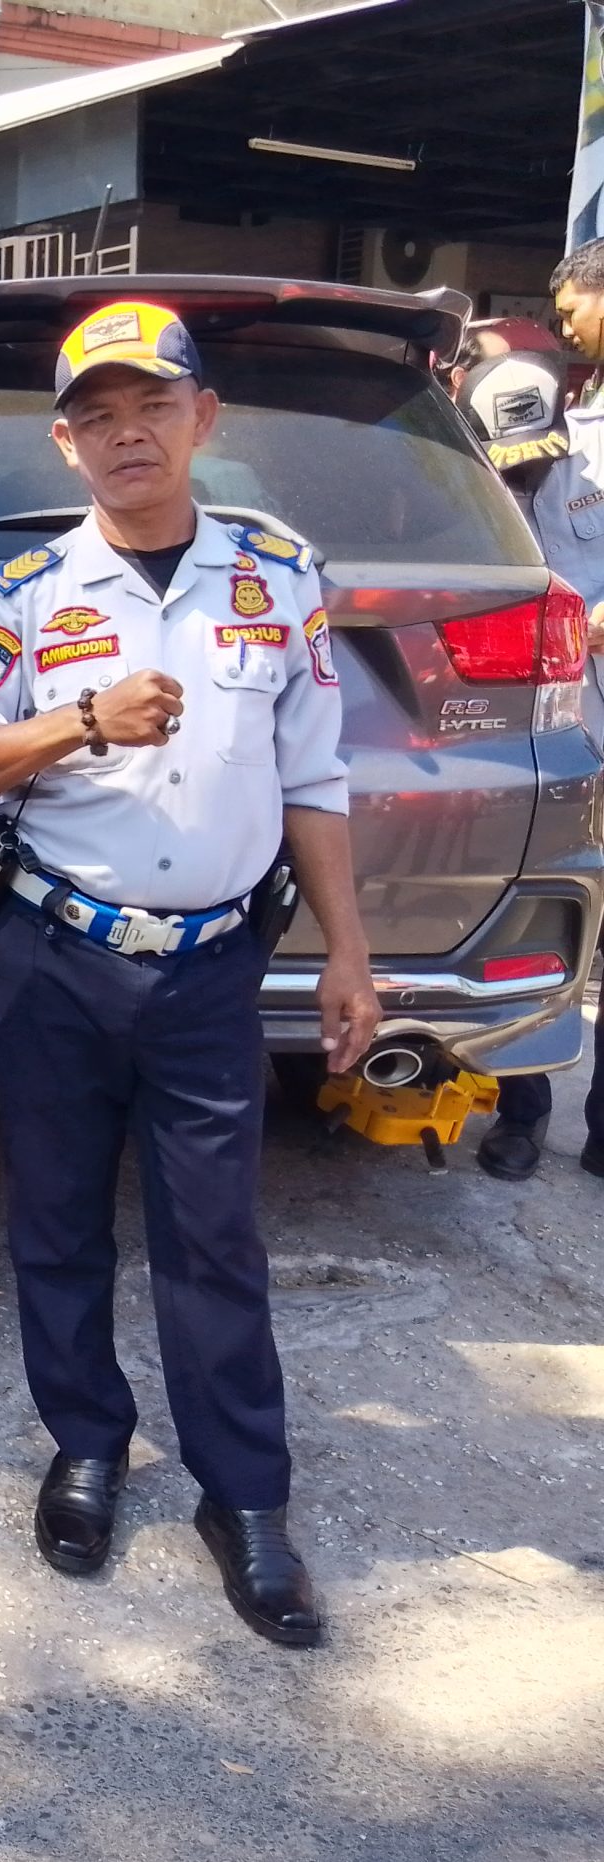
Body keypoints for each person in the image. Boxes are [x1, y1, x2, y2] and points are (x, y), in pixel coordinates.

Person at [0, 299, 380, 1647]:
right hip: (50, 957)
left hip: (208, 969)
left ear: (202, 420)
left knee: (214, 1237)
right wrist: (78, 720)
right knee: (56, 1220)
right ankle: (87, 1446)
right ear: (65, 444)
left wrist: (350, 953)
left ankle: (244, 1495)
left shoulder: (276, 582)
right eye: (98, 417)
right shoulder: (22, 594)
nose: (128, 435)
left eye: (152, 407)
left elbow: (314, 777)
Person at [477, 241, 604, 1179]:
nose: (566, 329)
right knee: (530, 920)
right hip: (536, 733)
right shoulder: (546, 427)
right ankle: (520, 1114)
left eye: (574, 311)